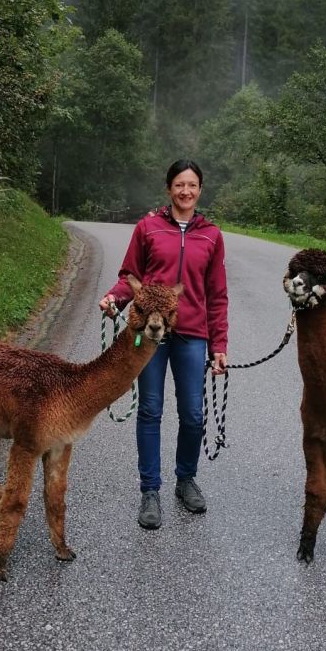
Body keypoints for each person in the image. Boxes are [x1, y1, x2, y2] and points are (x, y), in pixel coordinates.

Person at [98, 159, 228, 530]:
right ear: (169, 188)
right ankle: (150, 490)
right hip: (147, 334)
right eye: (179, 185)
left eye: (192, 185)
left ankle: (185, 479)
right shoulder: (148, 227)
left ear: (200, 189)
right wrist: (114, 299)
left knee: (192, 414)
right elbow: (130, 277)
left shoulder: (211, 236)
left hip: (191, 333)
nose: (185, 191)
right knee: (150, 410)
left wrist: (219, 344)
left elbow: (217, 294)